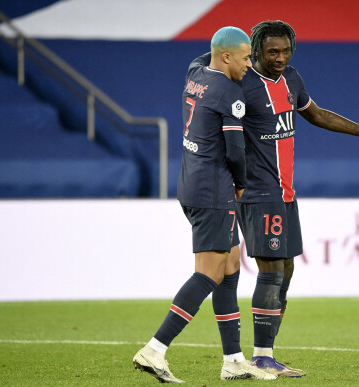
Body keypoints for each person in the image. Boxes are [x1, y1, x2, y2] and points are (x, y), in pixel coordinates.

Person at [239, 20, 359, 377]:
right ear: (255, 51)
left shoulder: (292, 79)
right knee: (272, 269)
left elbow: (317, 114)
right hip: (257, 190)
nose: (280, 58)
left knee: (288, 267)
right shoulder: (242, 84)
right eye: (272, 52)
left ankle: (266, 351)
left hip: (284, 192)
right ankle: (261, 357)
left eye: (286, 50)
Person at [132, 26, 276, 383]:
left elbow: (207, 54)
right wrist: (241, 184)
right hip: (215, 191)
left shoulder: (195, 72)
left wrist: (231, 44)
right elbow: (235, 149)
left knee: (229, 267)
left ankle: (233, 360)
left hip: (190, 182)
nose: (250, 65)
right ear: (226, 57)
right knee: (209, 273)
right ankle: (155, 349)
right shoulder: (229, 92)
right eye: (245, 58)